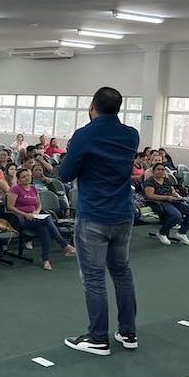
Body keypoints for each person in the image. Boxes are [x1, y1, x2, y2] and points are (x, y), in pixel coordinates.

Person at [58, 87, 139, 356]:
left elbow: (65, 174)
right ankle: (128, 332)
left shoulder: (84, 135)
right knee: (122, 273)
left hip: (94, 215)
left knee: (94, 278)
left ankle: (98, 338)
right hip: (123, 214)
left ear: (92, 106)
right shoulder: (131, 135)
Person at [6, 168, 75, 271]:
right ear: (19, 179)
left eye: (28, 175)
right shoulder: (15, 189)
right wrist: (25, 214)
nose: (27, 178)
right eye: (23, 177)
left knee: (44, 229)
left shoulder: (33, 188)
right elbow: (10, 207)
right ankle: (64, 245)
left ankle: (46, 261)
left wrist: (37, 211)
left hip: (35, 218)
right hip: (20, 219)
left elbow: (39, 205)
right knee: (47, 220)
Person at [142, 163, 189, 246]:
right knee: (177, 216)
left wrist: (179, 197)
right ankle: (162, 233)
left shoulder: (166, 180)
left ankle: (182, 233)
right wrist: (166, 197)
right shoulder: (149, 182)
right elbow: (150, 196)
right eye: (158, 169)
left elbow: (172, 191)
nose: (161, 171)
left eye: (162, 169)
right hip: (158, 203)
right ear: (153, 171)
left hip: (171, 201)